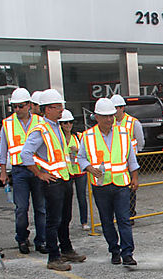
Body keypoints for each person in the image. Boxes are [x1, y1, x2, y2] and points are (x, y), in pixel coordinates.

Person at [21, 89, 86, 271]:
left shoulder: (56, 127)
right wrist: (39, 173)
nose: (61, 110)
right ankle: (53, 257)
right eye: (57, 107)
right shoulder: (41, 129)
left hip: (64, 178)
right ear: (46, 109)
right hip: (53, 182)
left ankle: (66, 249)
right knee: (53, 220)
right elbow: (25, 154)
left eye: (61, 107)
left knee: (65, 217)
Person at [77, 98, 140, 266]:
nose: (109, 120)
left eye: (111, 116)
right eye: (105, 116)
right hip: (101, 185)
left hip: (121, 184)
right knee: (106, 221)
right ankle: (114, 250)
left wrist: (135, 177)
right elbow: (81, 158)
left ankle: (127, 253)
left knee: (124, 219)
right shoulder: (88, 136)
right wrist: (89, 168)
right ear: (96, 117)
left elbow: (131, 158)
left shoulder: (123, 134)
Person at [0, 87, 47, 255]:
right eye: (15, 107)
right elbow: (3, 149)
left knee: (41, 208)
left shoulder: (40, 122)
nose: (17, 110)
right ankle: (22, 238)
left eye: (20, 106)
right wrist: (3, 171)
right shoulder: (7, 124)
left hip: (38, 169)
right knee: (21, 208)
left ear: (28, 105)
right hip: (19, 171)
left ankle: (41, 240)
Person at [110, 94, 144, 222]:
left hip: (129, 161)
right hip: (115, 161)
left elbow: (140, 141)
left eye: (116, 108)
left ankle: (130, 214)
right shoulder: (110, 122)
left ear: (122, 108)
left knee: (130, 189)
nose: (114, 111)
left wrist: (136, 155)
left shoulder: (133, 122)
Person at [59, 109, 89, 231]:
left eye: (70, 122)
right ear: (61, 124)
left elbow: (87, 152)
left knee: (82, 196)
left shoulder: (78, 136)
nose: (68, 125)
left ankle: (84, 221)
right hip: (67, 172)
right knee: (66, 198)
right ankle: (66, 221)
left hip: (79, 171)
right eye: (65, 123)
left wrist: (77, 151)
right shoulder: (58, 138)